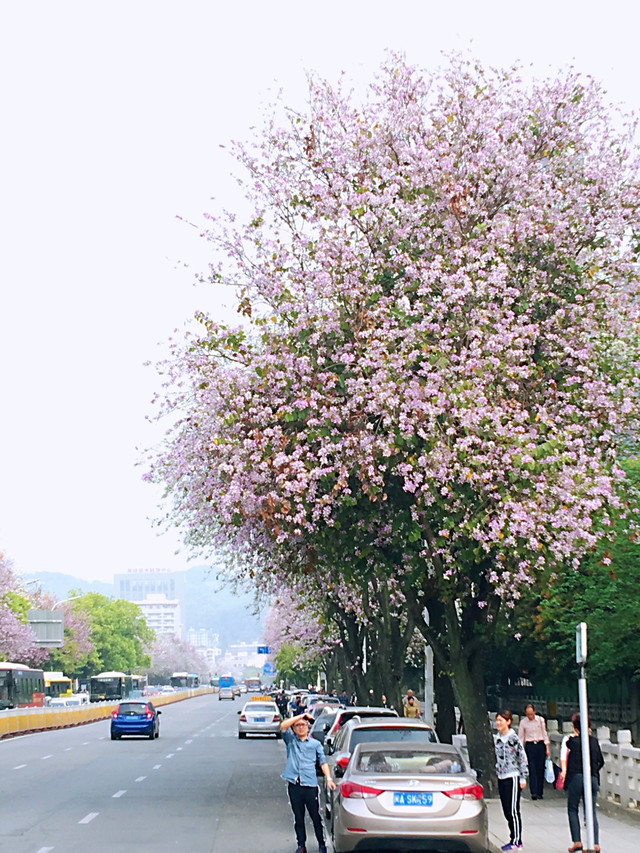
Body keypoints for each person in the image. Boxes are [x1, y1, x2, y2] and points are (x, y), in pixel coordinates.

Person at [280, 712, 336, 853]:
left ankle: (321, 844)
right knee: (298, 817)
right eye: (298, 726)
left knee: (315, 817)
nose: (300, 728)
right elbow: (283, 726)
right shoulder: (291, 741)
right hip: (295, 785)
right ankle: (301, 845)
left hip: (310, 785)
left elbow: (323, 762)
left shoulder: (315, 744)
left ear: (308, 727)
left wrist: (328, 778)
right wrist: (300, 716)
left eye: (303, 725)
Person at [559, 713, 605, 853]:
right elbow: (601, 761)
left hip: (576, 778)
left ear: (575, 727)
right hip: (593, 778)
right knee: (591, 811)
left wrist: (577, 733)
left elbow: (568, 742)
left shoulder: (573, 742)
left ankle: (577, 841)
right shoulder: (594, 741)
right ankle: (595, 843)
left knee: (573, 809)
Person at [494, 709, 529, 851]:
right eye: (497, 720)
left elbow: (522, 757)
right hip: (501, 776)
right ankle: (512, 837)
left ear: (508, 722)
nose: (498, 723)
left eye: (501, 720)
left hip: (513, 776)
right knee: (506, 810)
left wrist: (523, 777)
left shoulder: (513, 739)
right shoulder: (497, 738)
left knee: (514, 809)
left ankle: (517, 840)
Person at [518, 703, 551, 800]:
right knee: (532, 769)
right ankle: (534, 792)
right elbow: (521, 737)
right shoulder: (523, 722)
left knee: (540, 769)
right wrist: (521, 751)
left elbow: (544, 734)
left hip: (540, 745)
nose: (530, 716)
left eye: (531, 714)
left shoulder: (540, 720)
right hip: (530, 745)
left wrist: (547, 748)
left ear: (534, 712)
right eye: (528, 714)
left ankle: (540, 792)